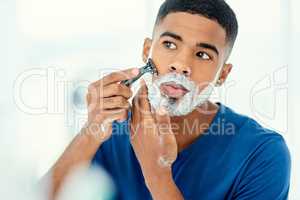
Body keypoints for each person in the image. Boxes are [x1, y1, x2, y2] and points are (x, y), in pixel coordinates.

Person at [44, 0, 291, 199]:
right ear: (146, 51)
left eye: (203, 54)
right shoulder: (113, 129)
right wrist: (90, 132)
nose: (181, 65)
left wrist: (157, 173)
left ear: (223, 74)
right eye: (170, 44)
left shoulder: (263, 154)